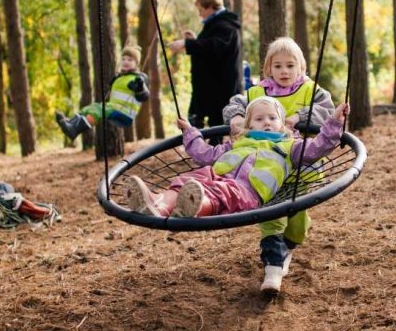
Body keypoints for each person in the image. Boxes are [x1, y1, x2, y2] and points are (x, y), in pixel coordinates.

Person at [124, 97, 349, 295]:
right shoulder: (237, 143)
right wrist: (190, 133)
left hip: (246, 189)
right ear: (249, 125)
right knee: (190, 178)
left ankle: (193, 204)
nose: (267, 122)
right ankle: (158, 204)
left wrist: (335, 122)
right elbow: (204, 154)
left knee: (219, 193)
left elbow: (318, 147)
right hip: (215, 174)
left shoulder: (291, 147)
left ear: (283, 124)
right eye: (259, 119)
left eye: (272, 117)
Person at [222, 36, 336, 269]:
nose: (284, 71)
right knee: (270, 207)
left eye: (290, 65)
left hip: (300, 163)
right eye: (278, 66)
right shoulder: (256, 92)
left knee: (295, 212)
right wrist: (235, 118)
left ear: (301, 67)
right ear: (268, 69)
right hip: (264, 165)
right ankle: (273, 253)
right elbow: (235, 104)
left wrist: (299, 117)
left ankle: (290, 241)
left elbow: (327, 110)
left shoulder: (310, 90)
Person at [169, 0, 242, 132]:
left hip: (221, 88)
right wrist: (195, 40)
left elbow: (216, 46)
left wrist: (186, 44)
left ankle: (216, 152)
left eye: (201, 9)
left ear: (210, 7)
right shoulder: (217, 23)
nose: (199, 14)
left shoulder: (225, 24)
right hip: (212, 87)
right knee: (213, 127)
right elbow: (211, 49)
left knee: (218, 127)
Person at [55, 45, 149, 139]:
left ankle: (75, 129)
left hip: (125, 113)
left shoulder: (139, 78)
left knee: (99, 110)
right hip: (114, 107)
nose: (125, 62)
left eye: (130, 60)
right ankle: (70, 123)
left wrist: (139, 87)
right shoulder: (120, 77)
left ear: (137, 63)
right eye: (123, 59)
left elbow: (144, 96)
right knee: (90, 108)